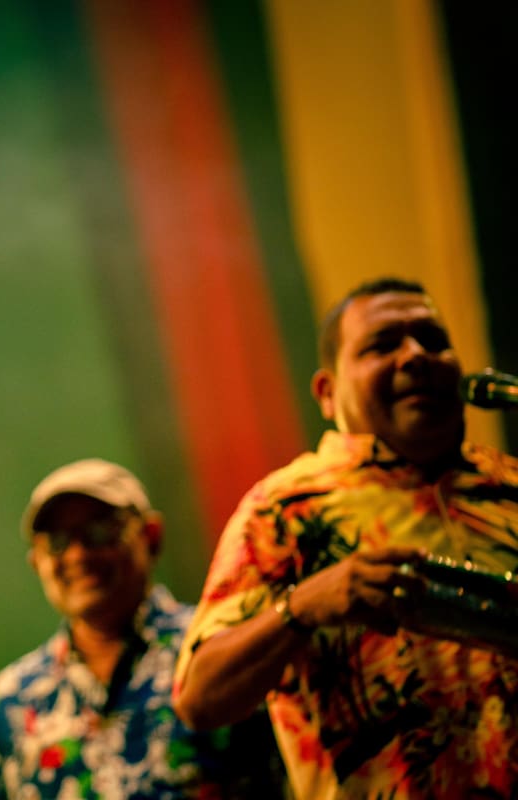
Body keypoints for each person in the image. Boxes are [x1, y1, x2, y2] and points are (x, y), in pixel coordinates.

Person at [173, 277, 518, 797]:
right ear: (327, 394)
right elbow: (200, 699)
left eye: (433, 340)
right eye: (383, 345)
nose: (415, 356)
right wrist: (305, 606)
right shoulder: (284, 510)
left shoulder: (510, 485)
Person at [0, 458, 286, 799]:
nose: (77, 555)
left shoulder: (220, 651)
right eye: (57, 542)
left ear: (151, 536)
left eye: (100, 531)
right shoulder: (12, 700)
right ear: (36, 563)